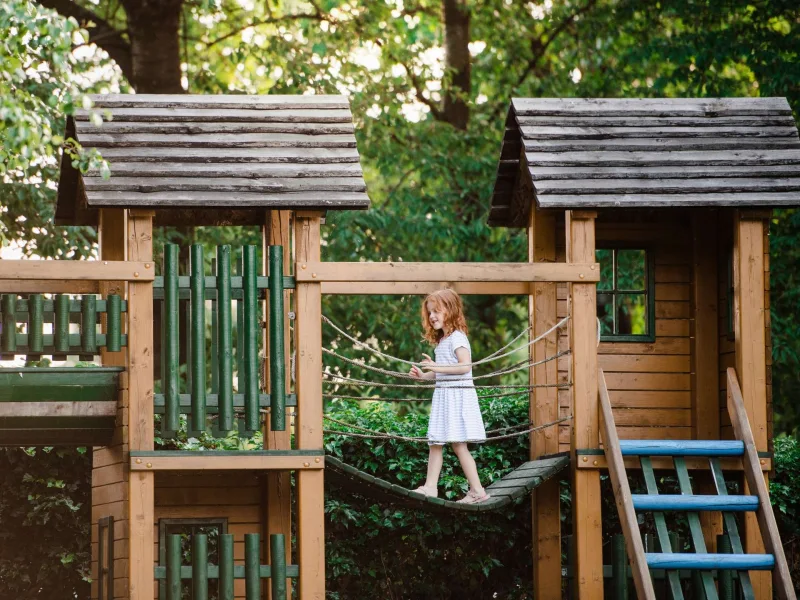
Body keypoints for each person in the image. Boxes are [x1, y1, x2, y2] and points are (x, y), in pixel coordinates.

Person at [409, 288, 490, 504]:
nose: (432, 316)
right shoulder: (443, 340)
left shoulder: (458, 338)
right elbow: (443, 370)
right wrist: (425, 375)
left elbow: (465, 366)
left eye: (437, 311)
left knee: (458, 445)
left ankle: (477, 491)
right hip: (444, 397)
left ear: (450, 310)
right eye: (429, 312)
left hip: (457, 397)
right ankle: (430, 487)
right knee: (435, 441)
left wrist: (436, 365)